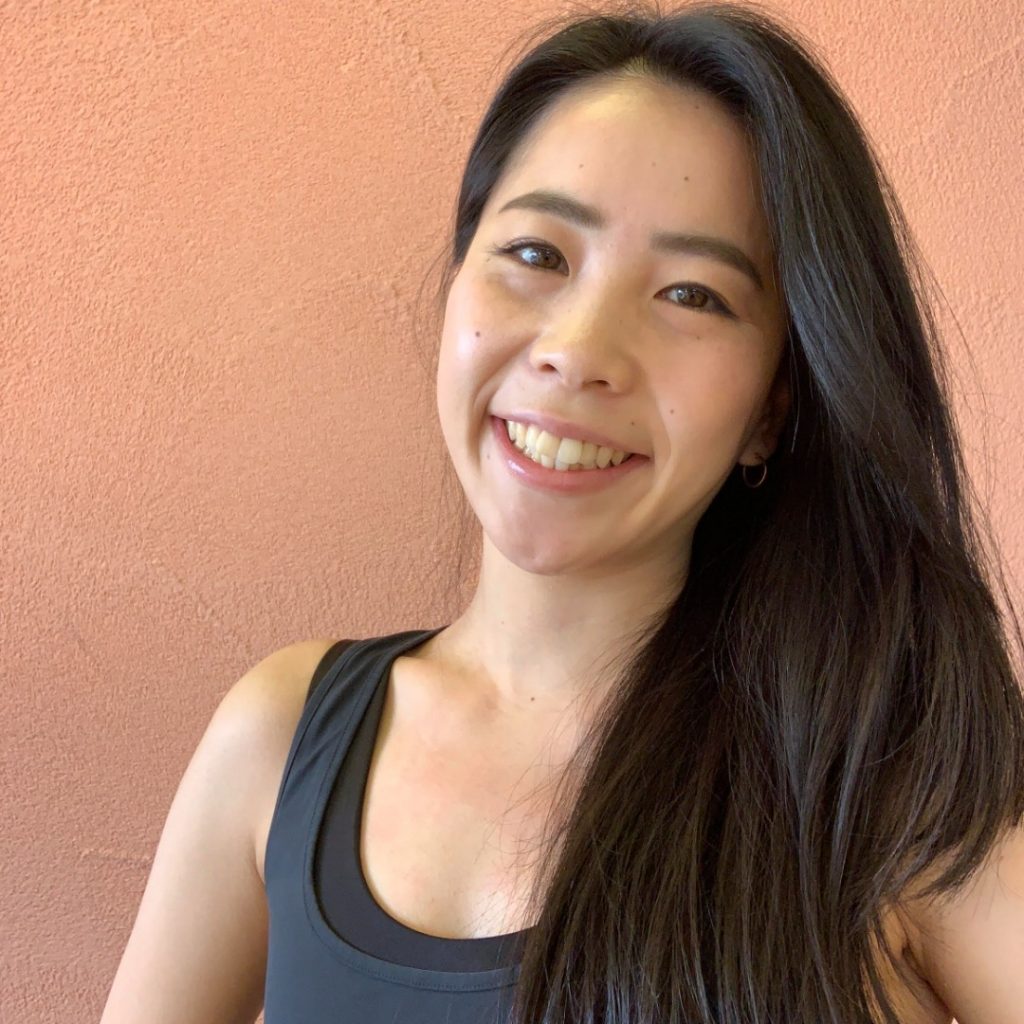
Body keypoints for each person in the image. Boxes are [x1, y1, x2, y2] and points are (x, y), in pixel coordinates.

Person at [99, 2, 1024, 1022]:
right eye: (537, 255)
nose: (578, 351)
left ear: (772, 408)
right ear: (457, 284)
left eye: (691, 294)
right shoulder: (279, 740)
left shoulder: (887, 778)